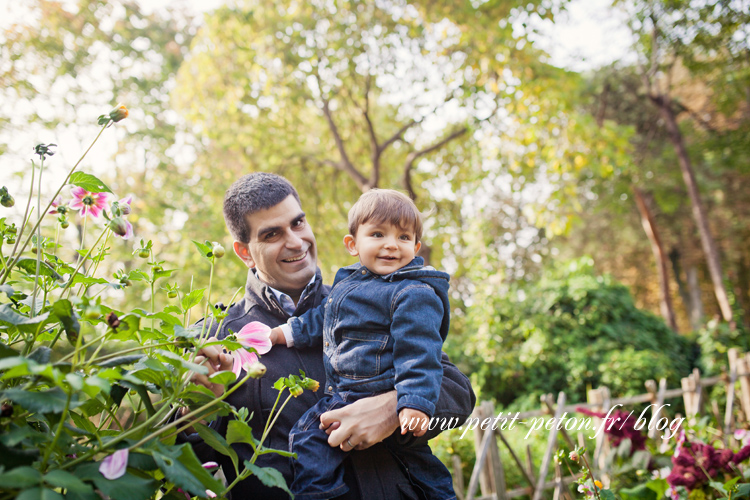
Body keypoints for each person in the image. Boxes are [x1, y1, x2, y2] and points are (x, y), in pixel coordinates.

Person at [181, 173, 474, 499]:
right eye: (272, 234)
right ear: (244, 252)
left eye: (298, 223)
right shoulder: (216, 340)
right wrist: (199, 414)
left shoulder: (375, 299)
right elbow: (182, 466)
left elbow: (457, 391)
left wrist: (391, 410)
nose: (295, 241)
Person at [267, 188, 456, 499]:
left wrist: (411, 403)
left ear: (416, 247)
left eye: (404, 237)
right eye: (378, 234)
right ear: (353, 244)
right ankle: (319, 492)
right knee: (308, 440)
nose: (392, 244)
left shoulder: (414, 293)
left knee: (418, 465)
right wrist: (282, 333)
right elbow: (322, 319)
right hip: (342, 393)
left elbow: (419, 354)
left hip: (378, 388)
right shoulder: (348, 286)